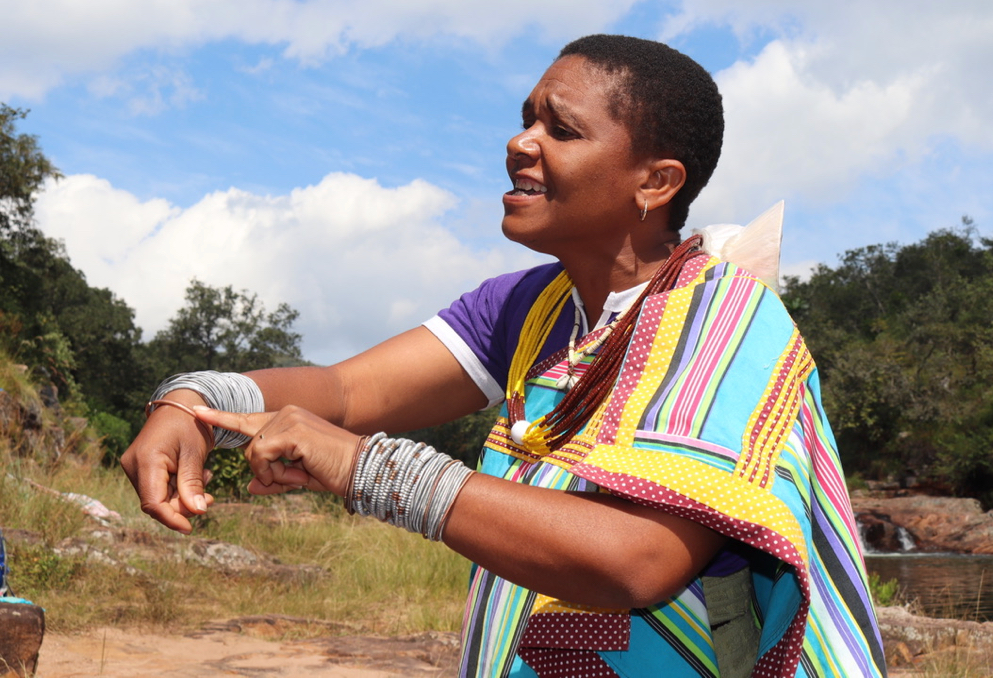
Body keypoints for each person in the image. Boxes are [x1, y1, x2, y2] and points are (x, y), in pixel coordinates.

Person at [121, 34, 887, 678]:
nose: (521, 143)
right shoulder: (527, 308)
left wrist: (370, 469)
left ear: (655, 182)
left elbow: (642, 555)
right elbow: (345, 390)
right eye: (526, 119)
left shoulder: (725, 317)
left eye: (562, 129)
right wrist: (194, 401)